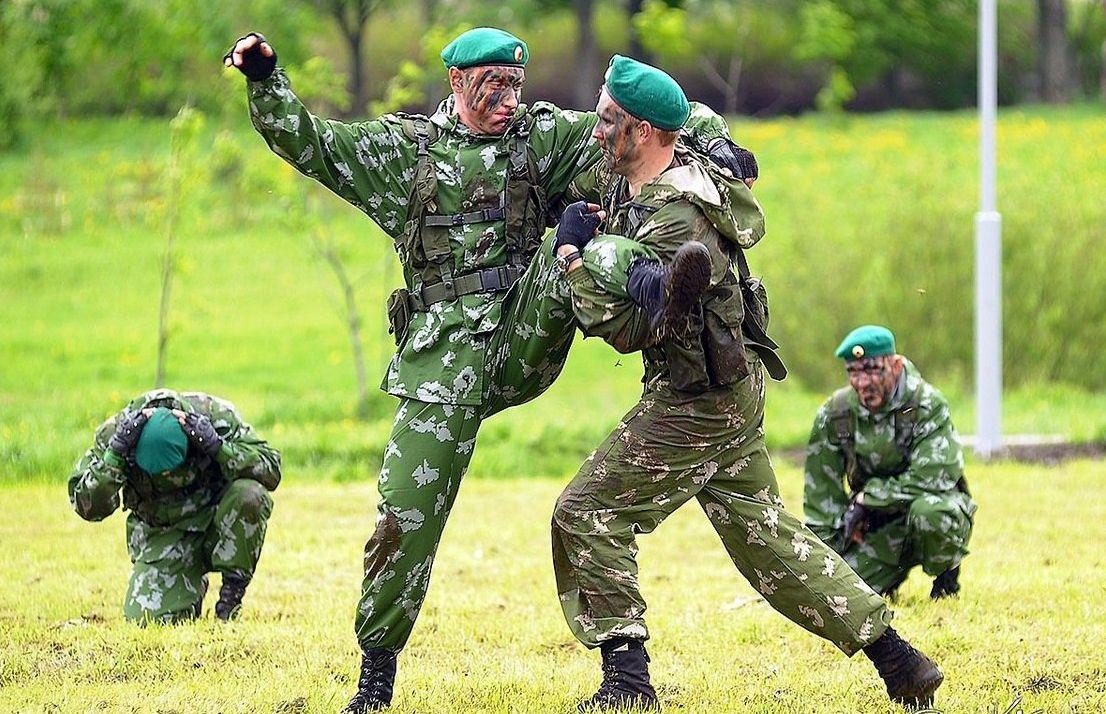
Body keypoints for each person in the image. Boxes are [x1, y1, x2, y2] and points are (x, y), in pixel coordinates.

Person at [224, 26, 755, 712]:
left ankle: (655, 289)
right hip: (443, 365)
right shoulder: (403, 150)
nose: (508, 99)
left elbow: (642, 118)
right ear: (456, 83)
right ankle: (374, 682)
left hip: (523, 333)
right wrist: (265, 78)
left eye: (516, 85)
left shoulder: (539, 138)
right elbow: (311, 142)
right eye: (492, 86)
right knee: (402, 519)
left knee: (578, 246)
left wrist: (712, 143)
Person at [549, 55, 944, 711]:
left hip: (695, 402)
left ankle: (627, 682)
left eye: (608, 122)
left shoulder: (676, 218)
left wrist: (570, 258)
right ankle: (899, 661)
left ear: (642, 131)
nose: (596, 133)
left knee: (585, 512)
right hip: (733, 391)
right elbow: (696, 118)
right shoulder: (688, 175)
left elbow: (626, 330)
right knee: (769, 541)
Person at [67, 389, 280, 623]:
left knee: (250, 494)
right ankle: (191, 588)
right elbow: (86, 507)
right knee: (146, 621)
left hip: (215, 525)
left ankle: (229, 604)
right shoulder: (115, 435)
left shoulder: (215, 417)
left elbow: (271, 470)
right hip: (163, 535)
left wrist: (219, 448)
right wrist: (113, 459)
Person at [803, 325, 976, 598]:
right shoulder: (835, 414)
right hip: (877, 526)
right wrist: (826, 562)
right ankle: (886, 578)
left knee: (931, 516)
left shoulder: (927, 404)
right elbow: (821, 501)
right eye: (853, 372)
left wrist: (866, 500)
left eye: (872, 369)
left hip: (929, 508)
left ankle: (946, 576)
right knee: (844, 592)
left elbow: (931, 478)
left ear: (895, 366)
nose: (862, 382)